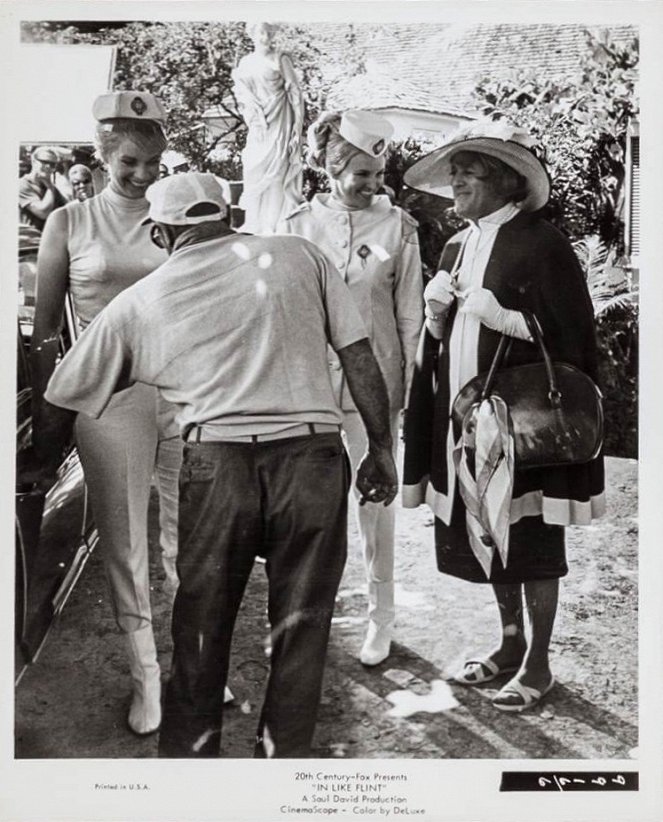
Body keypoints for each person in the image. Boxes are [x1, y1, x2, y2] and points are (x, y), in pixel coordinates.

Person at [37, 172, 399, 758]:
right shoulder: (298, 254)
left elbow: (61, 396)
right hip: (312, 460)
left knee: (201, 626)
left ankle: (193, 769)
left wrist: (36, 471)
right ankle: (280, 765)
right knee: (302, 628)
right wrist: (380, 449)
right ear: (229, 217)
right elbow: (358, 355)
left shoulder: (142, 300)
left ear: (160, 233)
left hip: (217, 467)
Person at [402, 120, 605, 712]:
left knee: (532, 535)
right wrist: (438, 321)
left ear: (507, 180)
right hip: (467, 421)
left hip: (528, 428)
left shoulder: (542, 243)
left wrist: (507, 317)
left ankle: (538, 664)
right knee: (490, 527)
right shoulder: (455, 245)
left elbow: (574, 337)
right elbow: (440, 347)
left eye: (469, 170)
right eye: (455, 171)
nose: (456, 180)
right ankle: (509, 643)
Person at [30, 91, 183, 736]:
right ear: (101, 154)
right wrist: (48, 421)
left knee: (194, 538)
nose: (144, 175)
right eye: (128, 162)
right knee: (125, 547)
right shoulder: (69, 224)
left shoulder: (182, 214)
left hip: (185, 394)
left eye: (153, 161)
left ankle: (199, 665)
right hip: (109, 398)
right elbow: (45, 333)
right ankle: (146, 678)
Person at [277, 110, 423, 666]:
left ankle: (379, 620)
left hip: (374, 392)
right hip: (307, 387)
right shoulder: (296, 226)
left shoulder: (398, 228)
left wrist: (403, 390)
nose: (373, 185)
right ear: (332, 168)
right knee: (308, 512)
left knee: (377, 506)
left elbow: (408, 315)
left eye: (379, 174)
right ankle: (308, 623)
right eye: (361, 174)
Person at [233, 21, 303, 233]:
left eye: (268, 32)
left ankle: (274, 225)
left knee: (277, 173)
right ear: (252, 34)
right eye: (260, 32)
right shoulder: (245, 63)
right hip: (258, 126)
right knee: (254, 169)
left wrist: (297, 129)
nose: (265, 37)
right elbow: (242, 94)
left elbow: (295, 94)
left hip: (281, 122)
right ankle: (254, 222)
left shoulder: (280, 59)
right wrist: (252, 113)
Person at [19, 146, 68, 232]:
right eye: (44, 162)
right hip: (31, 240)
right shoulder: (22, 184)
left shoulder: (50, 188)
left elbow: (67, 208)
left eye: (52, 164)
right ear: (33, 161)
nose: (48, 167)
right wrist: (50, 186)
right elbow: (43, 212)